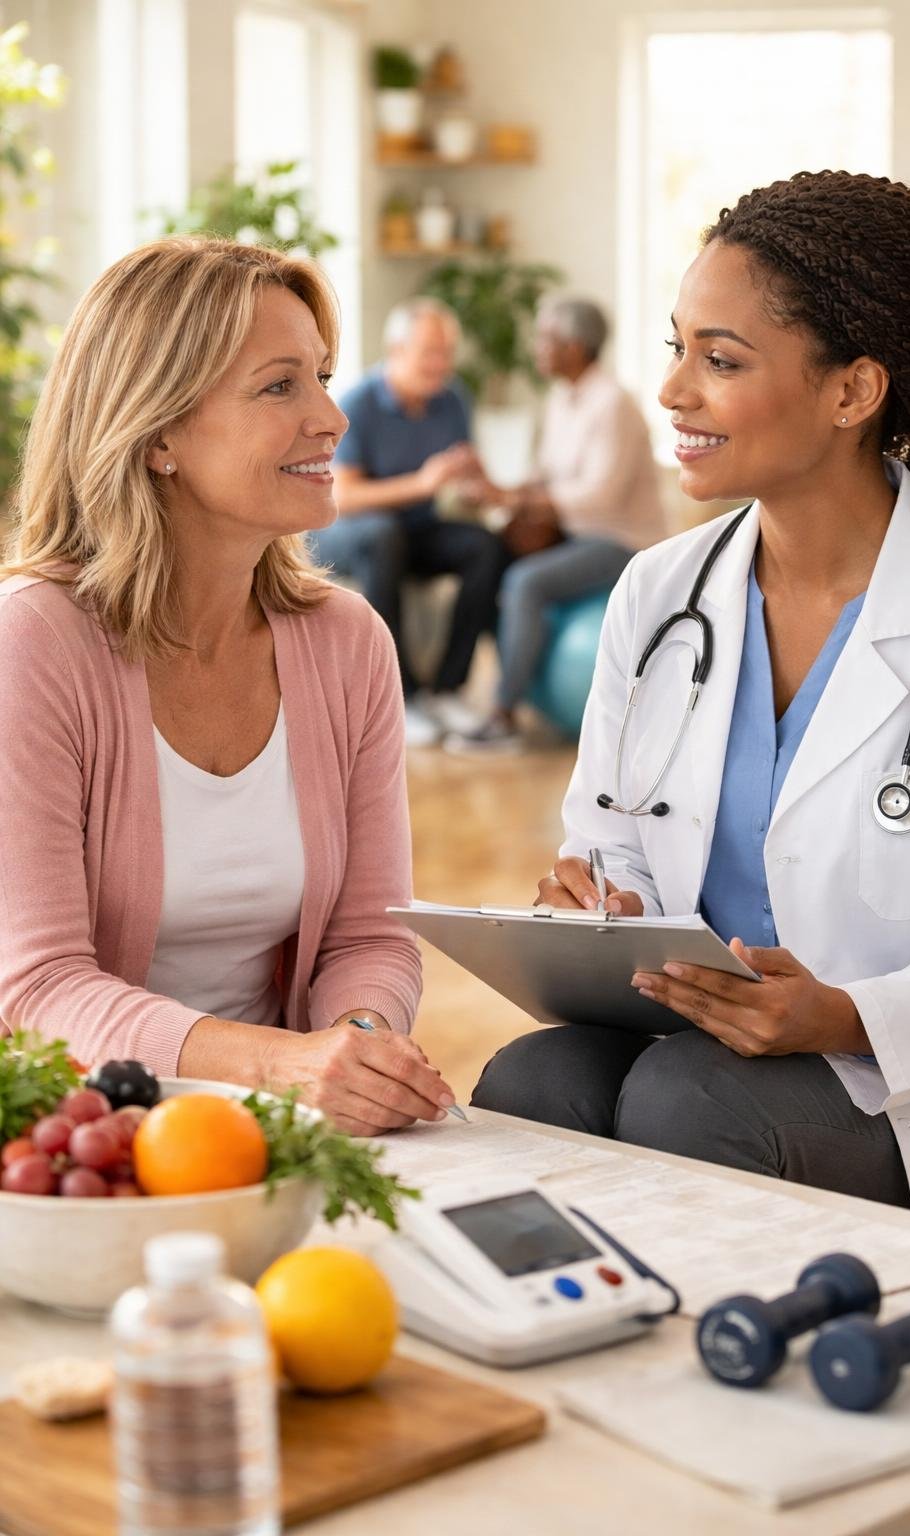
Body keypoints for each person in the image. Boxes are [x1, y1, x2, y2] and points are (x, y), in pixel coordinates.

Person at [472, 170, 910, 1233]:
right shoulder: (659, 592)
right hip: (688, 1040)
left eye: (719, 361)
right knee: (538, 1084)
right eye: (676, 347)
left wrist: (842, 1014)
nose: (674, 391)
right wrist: (602, 909)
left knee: (690, 1102)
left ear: (851, 393)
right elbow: (612, 838)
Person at [0, 237, 458, 1138]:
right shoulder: (33, 644)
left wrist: (354, 1045)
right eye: (279, 385)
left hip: (275, 1125)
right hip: (68, 1131)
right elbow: (36, 986)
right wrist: (276, 1062)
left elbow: (369, 935)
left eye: (323, 376)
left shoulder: (347, 643)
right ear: (158, 431)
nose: (331, 417)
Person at [448, 297, 667, 753]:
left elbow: (598, 496)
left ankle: (503, 715)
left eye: (546, 338)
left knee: (526, 582)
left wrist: (523, 499)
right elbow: (545, 474)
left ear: (575, 347)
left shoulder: (612, 404)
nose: (537, 347)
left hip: (620, 539)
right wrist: (495, 488)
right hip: (574, 533)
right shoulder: (560, 398)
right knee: (486, 558)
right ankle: (464, 690)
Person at [308, 298, 506, 747]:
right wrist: (423, 483)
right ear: (397, 351)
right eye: (430, 352)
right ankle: (403, 694)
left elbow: (458, 480)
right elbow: (345, 495)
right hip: (349, 531)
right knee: (383, 534)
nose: (441, 364)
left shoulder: (453, 399)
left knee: (484, 545)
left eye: (447, 353)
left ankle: (448, 688)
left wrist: (474, 484)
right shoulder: (359, 402)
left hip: (414, 528)